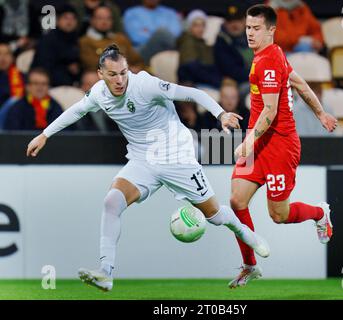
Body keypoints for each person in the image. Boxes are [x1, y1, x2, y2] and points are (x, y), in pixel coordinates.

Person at [26, 44, 269, 292]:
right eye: (113, 74)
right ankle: (106, 273)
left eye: (123, 72)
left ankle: (248, 235)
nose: (120, 80)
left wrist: (221, 114)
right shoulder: (99, 93)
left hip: (177, 157)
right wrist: (45, 135)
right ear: (101, 74)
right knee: (111, 202)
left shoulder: (145, 85)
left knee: (215, 216)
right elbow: (77, 111)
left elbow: (193, 94)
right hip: (143, 159)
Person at [228, 5, 337, 288]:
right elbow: (299, 83)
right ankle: (250, 265)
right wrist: (321, 113)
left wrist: (248, 141)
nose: (250, 33)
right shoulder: (271, 55)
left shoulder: (268, 60)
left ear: (271, 30)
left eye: (256, 28)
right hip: (259, 144)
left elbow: (270, 111)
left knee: (279, 215)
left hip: (279, 147)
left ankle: (319, 214)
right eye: (248, 27)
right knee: (237, 201)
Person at [79, 5, 145, 72]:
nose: (104, 22)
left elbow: (138, 61)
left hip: (128, 75)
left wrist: (137, 69)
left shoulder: (121, 38)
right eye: (100, 18)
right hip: (102, 77)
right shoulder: (85, 41)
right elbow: (91, 65)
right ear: (92, 20)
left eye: (108, 18)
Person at [30, 4, 81, 87]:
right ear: (58, 21)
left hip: (71, 86)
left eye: (73, 18)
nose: (69, 22)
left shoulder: (76, 39)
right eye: (66, 18)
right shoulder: (48, 40)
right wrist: (67, 67)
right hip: (47, 84)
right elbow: (44, 66)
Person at [177, 9, 222, 88]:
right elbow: (192, 68)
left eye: (202, 25)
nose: (200, 29)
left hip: (202, 81)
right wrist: (217, 81)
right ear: (189, 26)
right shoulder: (187, 41)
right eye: (196, 25)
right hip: (192, 83)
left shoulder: (203, 43)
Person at [214, 5, 253, 95]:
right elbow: (232, 71)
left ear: (244, 21)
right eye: (230, 21)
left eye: (238, 20)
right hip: (238, 83)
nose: (234, 25)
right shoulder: (222, 41)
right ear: (225, 23)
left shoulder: (255, 36)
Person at [0, 42, 25, 128]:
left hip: (16, 117)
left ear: (12, 57)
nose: (2, 58)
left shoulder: (21, 77)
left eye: (6, 54)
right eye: (0, 54)